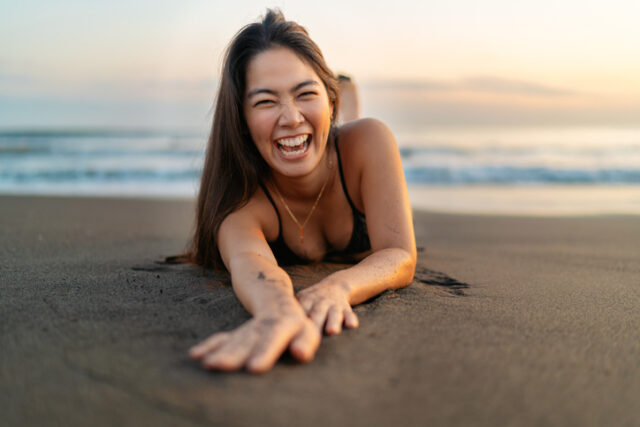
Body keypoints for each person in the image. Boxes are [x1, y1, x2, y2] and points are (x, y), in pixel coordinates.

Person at [188, 9, 416, 373]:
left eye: (304, 93)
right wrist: (276, 312)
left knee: (348, 121)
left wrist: (338, 287)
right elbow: (253, 266)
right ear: (241, 121)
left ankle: (342, 93)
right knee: (312, 128)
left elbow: (399, 254)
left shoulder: (369, 143)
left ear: (328, 97)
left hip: (341, 145)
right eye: (265, 101)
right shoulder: (242, 205)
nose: (291, 117)